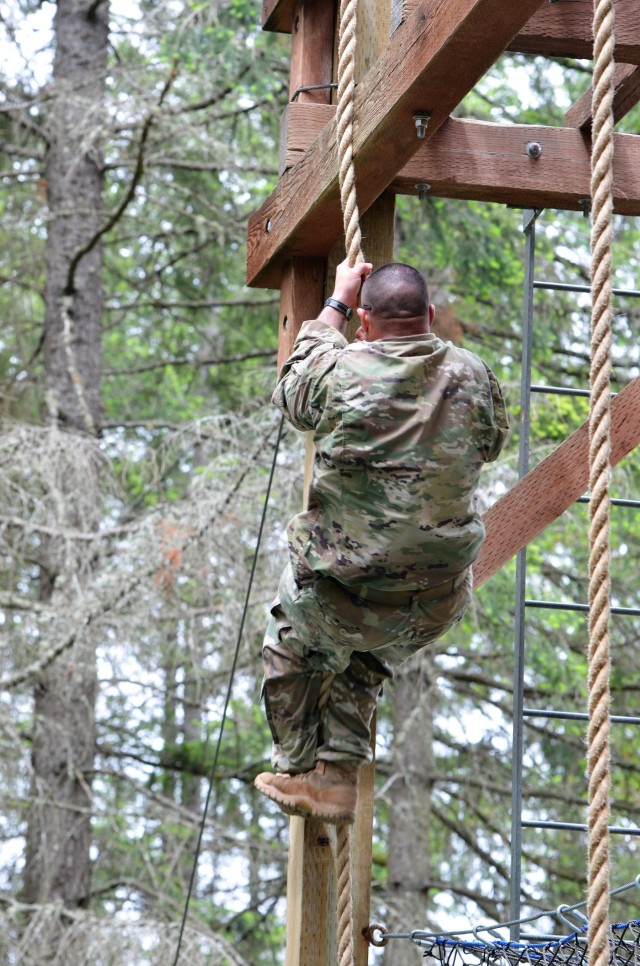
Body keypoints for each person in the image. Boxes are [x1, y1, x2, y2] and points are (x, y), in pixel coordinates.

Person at [254, 258, 509, 824]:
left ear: (366, 322)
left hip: (338, 600)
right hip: (431, 606)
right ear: (432, 316)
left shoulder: (342, 371)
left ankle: (297, 767)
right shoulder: (474, 374)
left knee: (289, 638)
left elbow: (292, 393)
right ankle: (338, 776)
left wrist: (336, 304)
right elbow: (491, 444)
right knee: (367, 656)